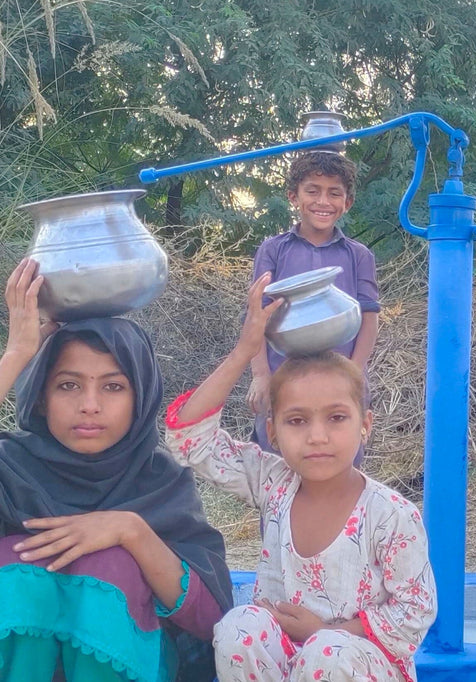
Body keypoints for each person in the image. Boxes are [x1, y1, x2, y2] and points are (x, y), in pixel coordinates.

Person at [166, 274, 436, 682]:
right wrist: (245, 351)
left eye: (336, 417)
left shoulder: (390, 516)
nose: (317, 436)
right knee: (240, 628)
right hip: (283, 663)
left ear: (365, 425)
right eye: (297, 420)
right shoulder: (273, 483)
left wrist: (324, 633)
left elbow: (414, 612)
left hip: (354, 661)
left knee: (326, 655)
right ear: (272, 432)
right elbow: (189, 440)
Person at [0, 259, 232, 682]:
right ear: (39, 397)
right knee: (15, 561)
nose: (90, 404)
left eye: (113, 386)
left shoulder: (161, 480)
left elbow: (210, 620)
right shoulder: (10, 469)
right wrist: (17, 354)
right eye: (68, 385)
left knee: (111, 564)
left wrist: (131, 532)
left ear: (140, 396)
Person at [249, 151, 380, 452]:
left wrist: (354, 375)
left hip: (339, 380)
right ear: (293, 197)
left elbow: (369, 318)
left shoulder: (359, 256)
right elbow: (257, 317)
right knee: (278, 464)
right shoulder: (273, 250)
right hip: (283, 379)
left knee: (338, 459)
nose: (323, 202)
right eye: (313, 191)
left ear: (347, 203)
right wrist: (260, 376)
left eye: (334, 193)